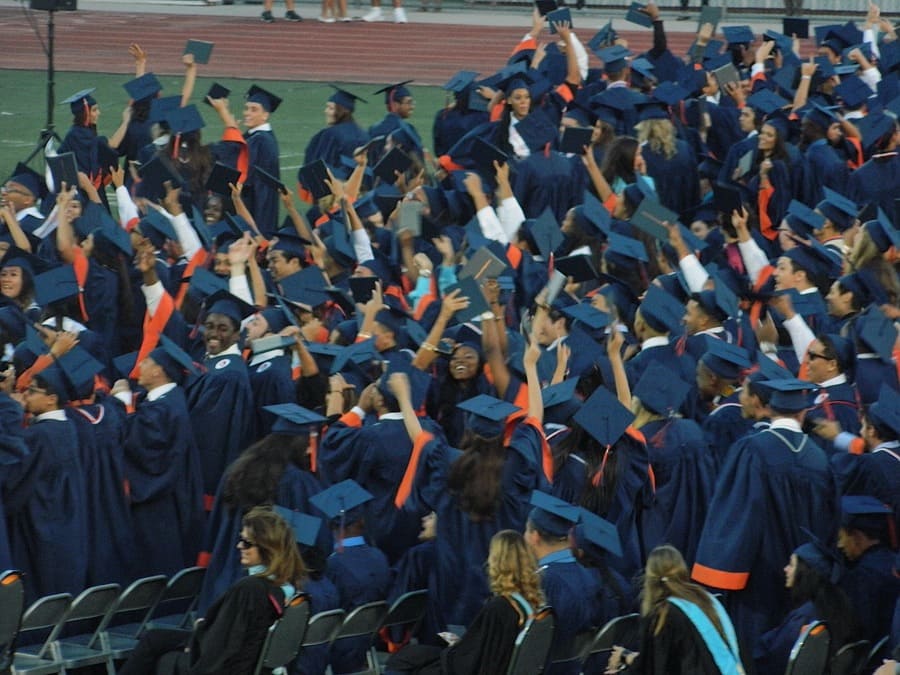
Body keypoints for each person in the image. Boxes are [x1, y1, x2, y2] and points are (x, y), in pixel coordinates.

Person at [692, 377, 836, 645]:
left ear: (770, 409)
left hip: (758, 581)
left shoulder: (752, 449)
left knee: (754, 648)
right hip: (802, 581)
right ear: (802, 413)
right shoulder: (818, 459)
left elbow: (736, 514)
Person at [119, 506, 307, 675]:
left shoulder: (249, 589)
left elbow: (222, 649)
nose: (239, 546)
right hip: (247, 657)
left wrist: (196, 642)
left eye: (247, 542)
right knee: (154, 638)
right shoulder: (284, 586)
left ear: (267, 548)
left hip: (229, 664)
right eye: (241, 539)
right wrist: (204, 629)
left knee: (161, 655)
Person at [385, 529, 545, 675]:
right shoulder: (529, 603)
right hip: (478, 661)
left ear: (497, 562)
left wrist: (458, 647)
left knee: (404, 660)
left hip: (465, 667)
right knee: (413, 654)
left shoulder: (500, 607)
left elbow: (473, 662)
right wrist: (463, 643)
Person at [607, 545, 747, 674]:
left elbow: (657, 668)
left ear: (649, 577)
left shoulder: (663, 613)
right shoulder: (708, 600)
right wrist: (627, 655)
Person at [753, 537, 862, 674]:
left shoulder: (805, 616)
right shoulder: (838, 608)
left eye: (791, 565)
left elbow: (777, 659)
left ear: (804, 574)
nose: (785, 569)